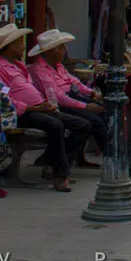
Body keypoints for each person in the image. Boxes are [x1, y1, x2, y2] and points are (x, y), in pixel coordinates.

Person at [0, 25, 89, 192]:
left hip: (40, 108)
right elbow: (4, 98)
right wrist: (32, 108)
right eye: (20, 44)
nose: (23, 47)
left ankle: (52, 163)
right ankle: (60, 174)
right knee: (55, 125)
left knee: (82, 124)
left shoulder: (18, 66)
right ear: (11, 47)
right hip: (21, 113)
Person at [28, 29, 105, 167]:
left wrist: (90, 92)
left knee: (104, 113)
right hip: (58, 104)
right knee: (93, 121)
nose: (64, 51)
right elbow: (59, 97)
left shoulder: (58, 66)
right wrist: (85, 106)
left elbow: (73, 81)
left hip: (71, 97)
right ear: (51, 51)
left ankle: (71, 158)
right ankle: (62, 161)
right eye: (61, 47)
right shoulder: (39, 70)